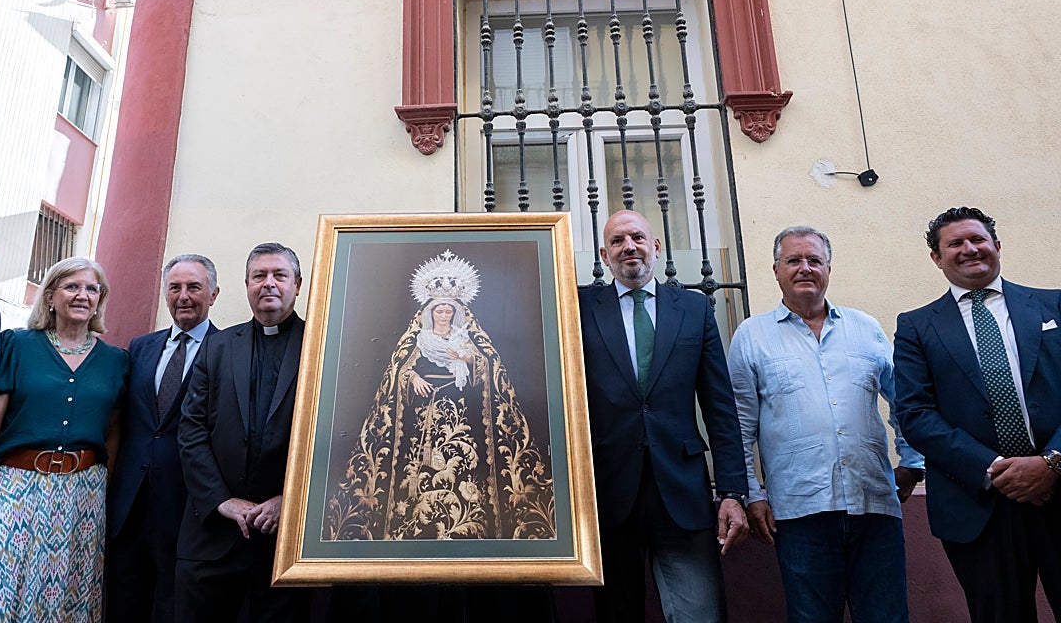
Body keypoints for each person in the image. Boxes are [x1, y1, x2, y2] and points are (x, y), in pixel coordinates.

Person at [728, 226, 925, 623]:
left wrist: (913, 461)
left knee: (887, 616)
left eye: (814, 260)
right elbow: (740, 426)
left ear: (828, 269)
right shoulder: (752, 336)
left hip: (875, 504)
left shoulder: (864, 327)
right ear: (775, 270)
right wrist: (752, 494)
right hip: (800, 512)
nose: (805, 268)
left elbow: (905, 399)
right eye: (794, 261)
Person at [578, 209, 748, 623]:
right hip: (608, 493)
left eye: (637, 237)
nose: (628, 247)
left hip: (682, 491)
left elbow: (720, 405)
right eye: (617, 241)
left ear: (655, 246)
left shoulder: (692, 309)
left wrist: (732, 491)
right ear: (604, 254)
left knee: (699, 615)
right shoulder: (579, 308)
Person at [894, 206, 1061, 622]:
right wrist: (998, 469)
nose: (969, 249)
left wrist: (1051, 462)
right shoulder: (916, 327)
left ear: (997, 246)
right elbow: (915, 414)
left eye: (977, 239)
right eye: (955, 243)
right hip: (979, 503)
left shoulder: (1053, 304)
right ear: (937, 257)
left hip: (1059, 485)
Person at [324, 249, 554, 541]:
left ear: (455, 313)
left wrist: (468, 359)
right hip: (422, 418)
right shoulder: (418, 340)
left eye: (448, 311)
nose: (443, 315)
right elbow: (396, 372)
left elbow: (490, 369)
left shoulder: (466, 339)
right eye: (438, 311)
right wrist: (412, 377)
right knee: (418, 474)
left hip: (463, 417)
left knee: (463, 468)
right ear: (430, 313)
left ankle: (472, 524)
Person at [0, 257, 129, 622]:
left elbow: (114, 432)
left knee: (62, 599)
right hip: (13, 489)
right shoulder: (17, 345)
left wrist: (100, 486)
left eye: (91, 288)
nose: (82, 295)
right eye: (72, 286)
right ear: (50, 297)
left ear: (100, 299)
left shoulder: (117, 361)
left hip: (83, 496)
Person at [175, 242, 311, 623]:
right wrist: (222, 501)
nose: (269, 284)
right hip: (212, 535)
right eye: (259, 276)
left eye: (279, 275)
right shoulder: (217, 346)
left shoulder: (320, 344)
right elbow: (191, 430)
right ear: (247, 284)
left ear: (297, 284)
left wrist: (292, 500)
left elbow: (335, 437)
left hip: (286, 540)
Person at [106, 254, 221, 623]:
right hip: (129, 503)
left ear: (214, 294)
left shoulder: (228, 350)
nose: (183, 296)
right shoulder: (140, 347)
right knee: (122, 602)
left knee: (172, 608)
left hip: (187, 505)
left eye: (194, 287)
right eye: (175, 288)